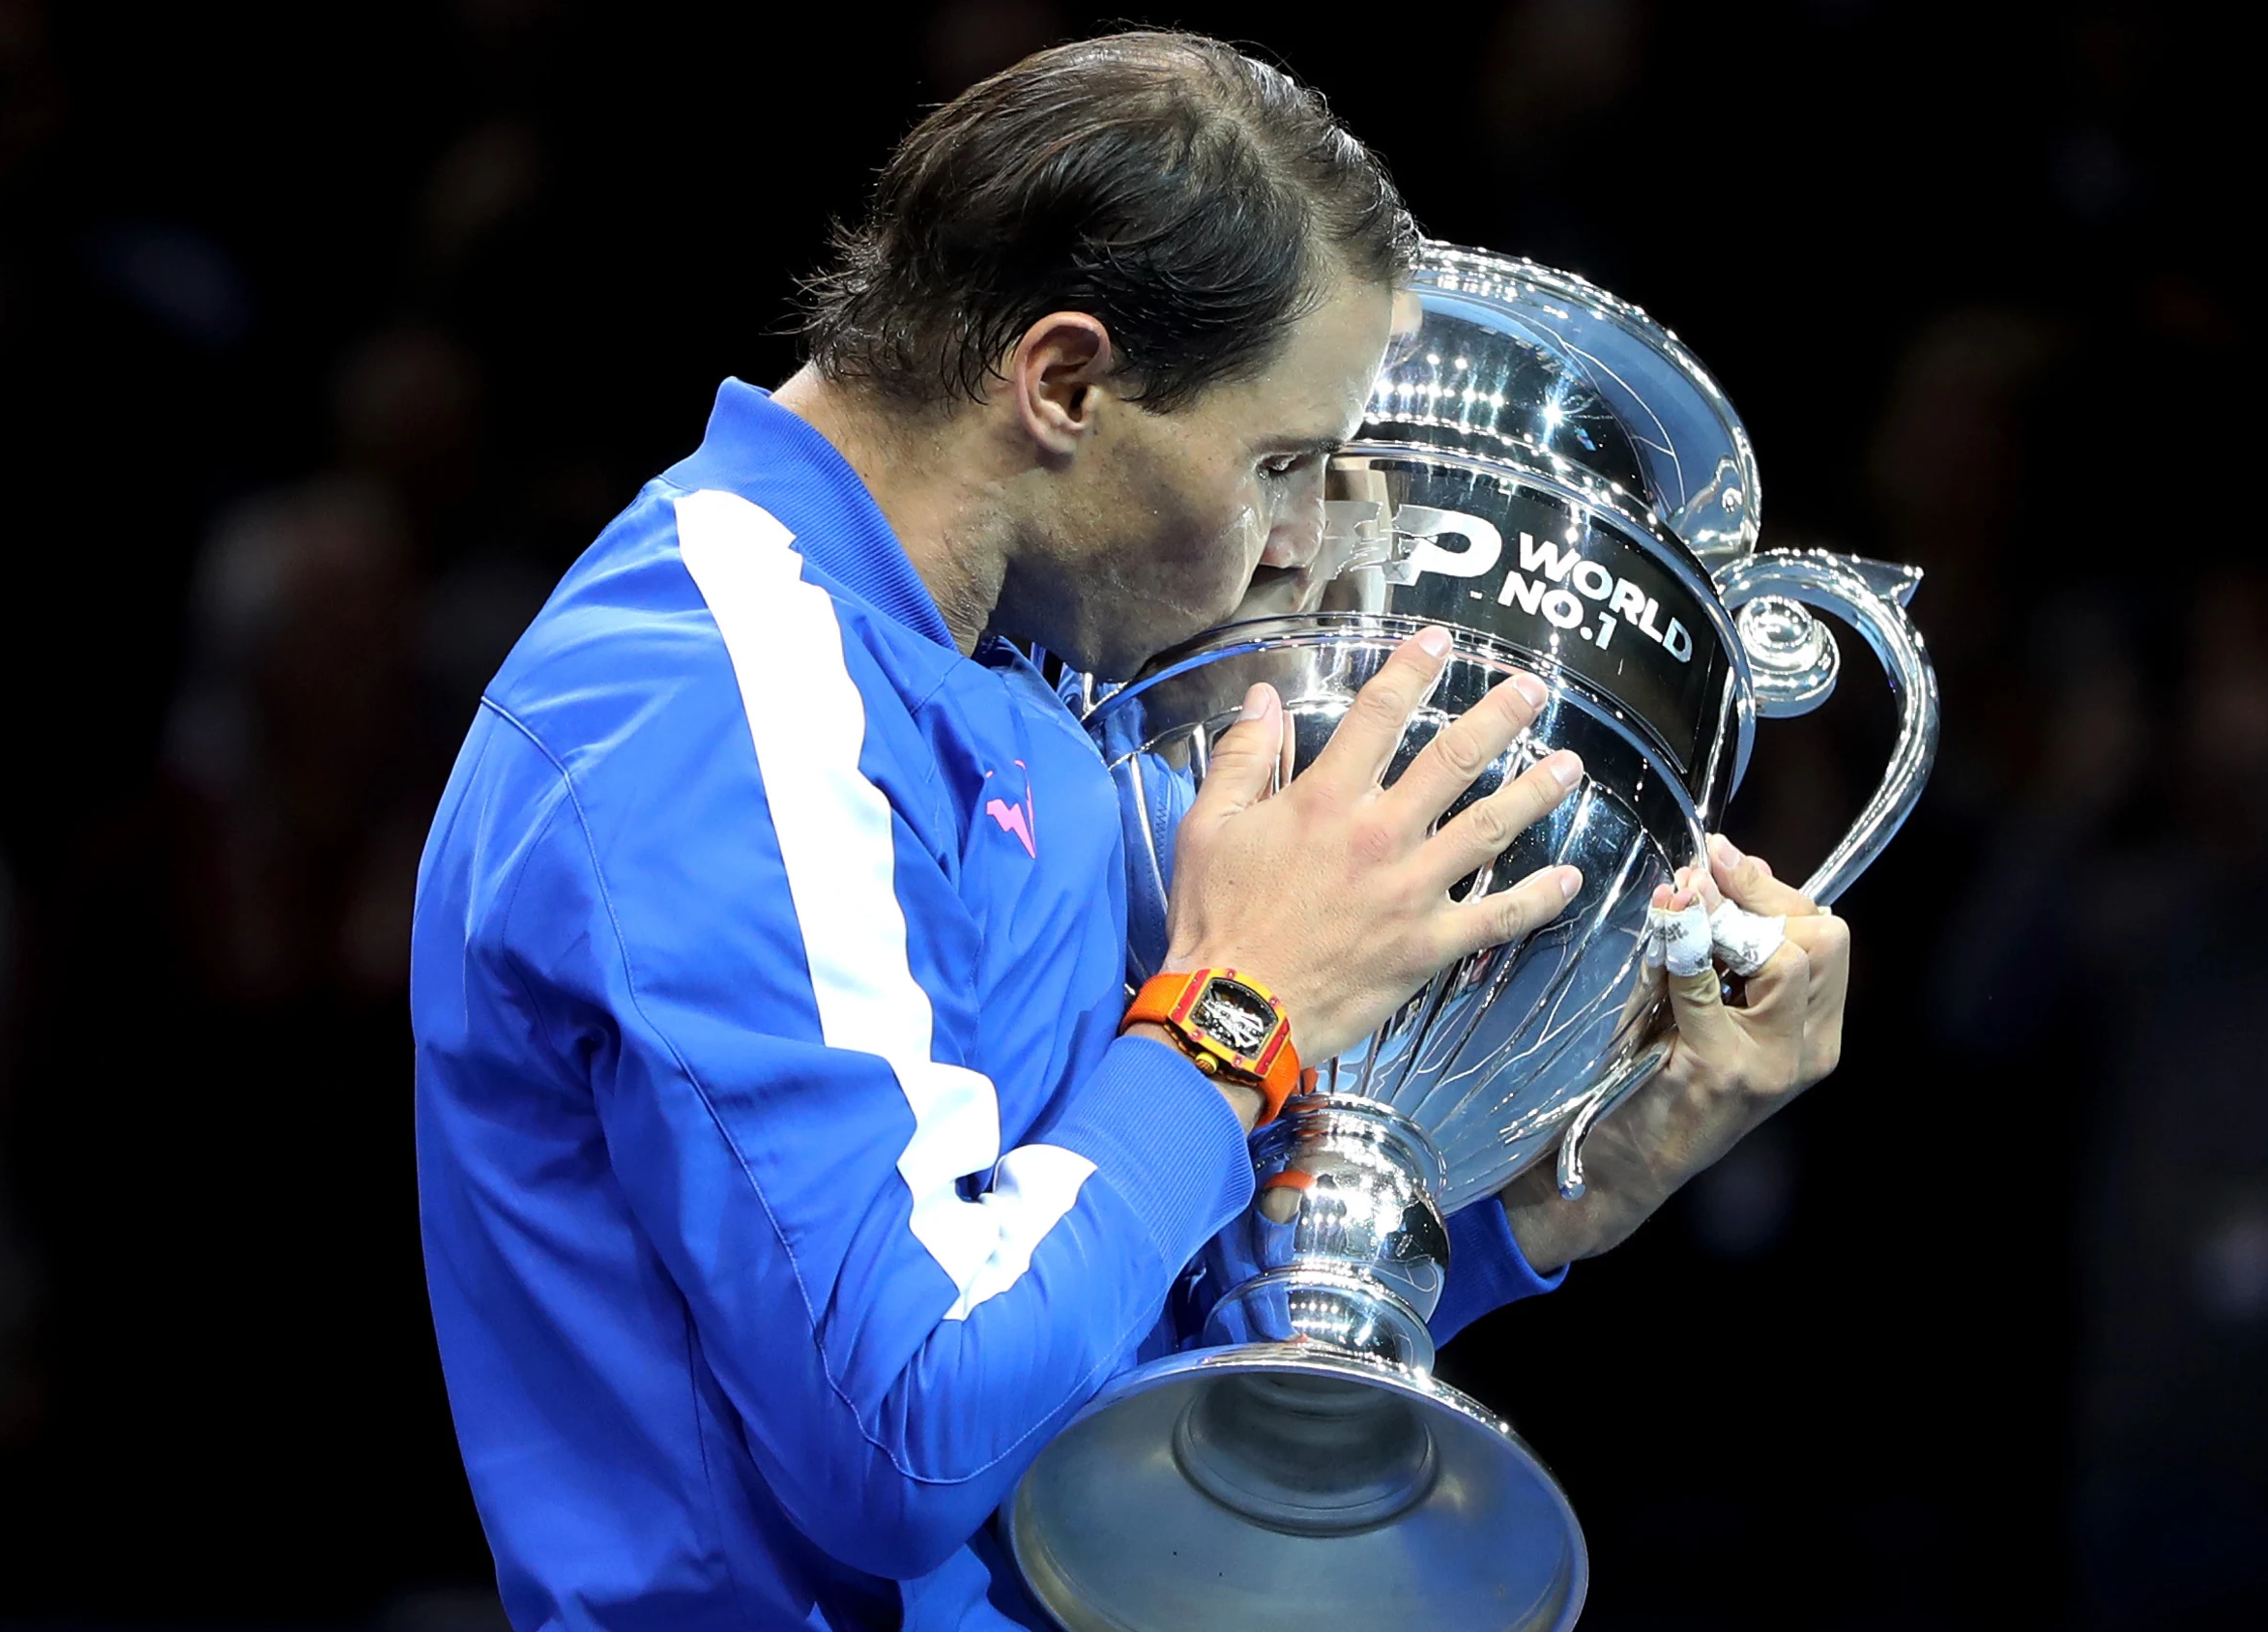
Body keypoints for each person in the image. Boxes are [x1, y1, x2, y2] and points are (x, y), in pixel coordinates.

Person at [411, 30, 1850, 1630]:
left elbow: (1085, 1325)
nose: (1298, 546)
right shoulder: (715, 711)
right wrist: (1246, 1011)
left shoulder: (1001, 667)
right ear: (1067, 382)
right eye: (1280, 465)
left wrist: (1551, 1206)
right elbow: (907, 1430)